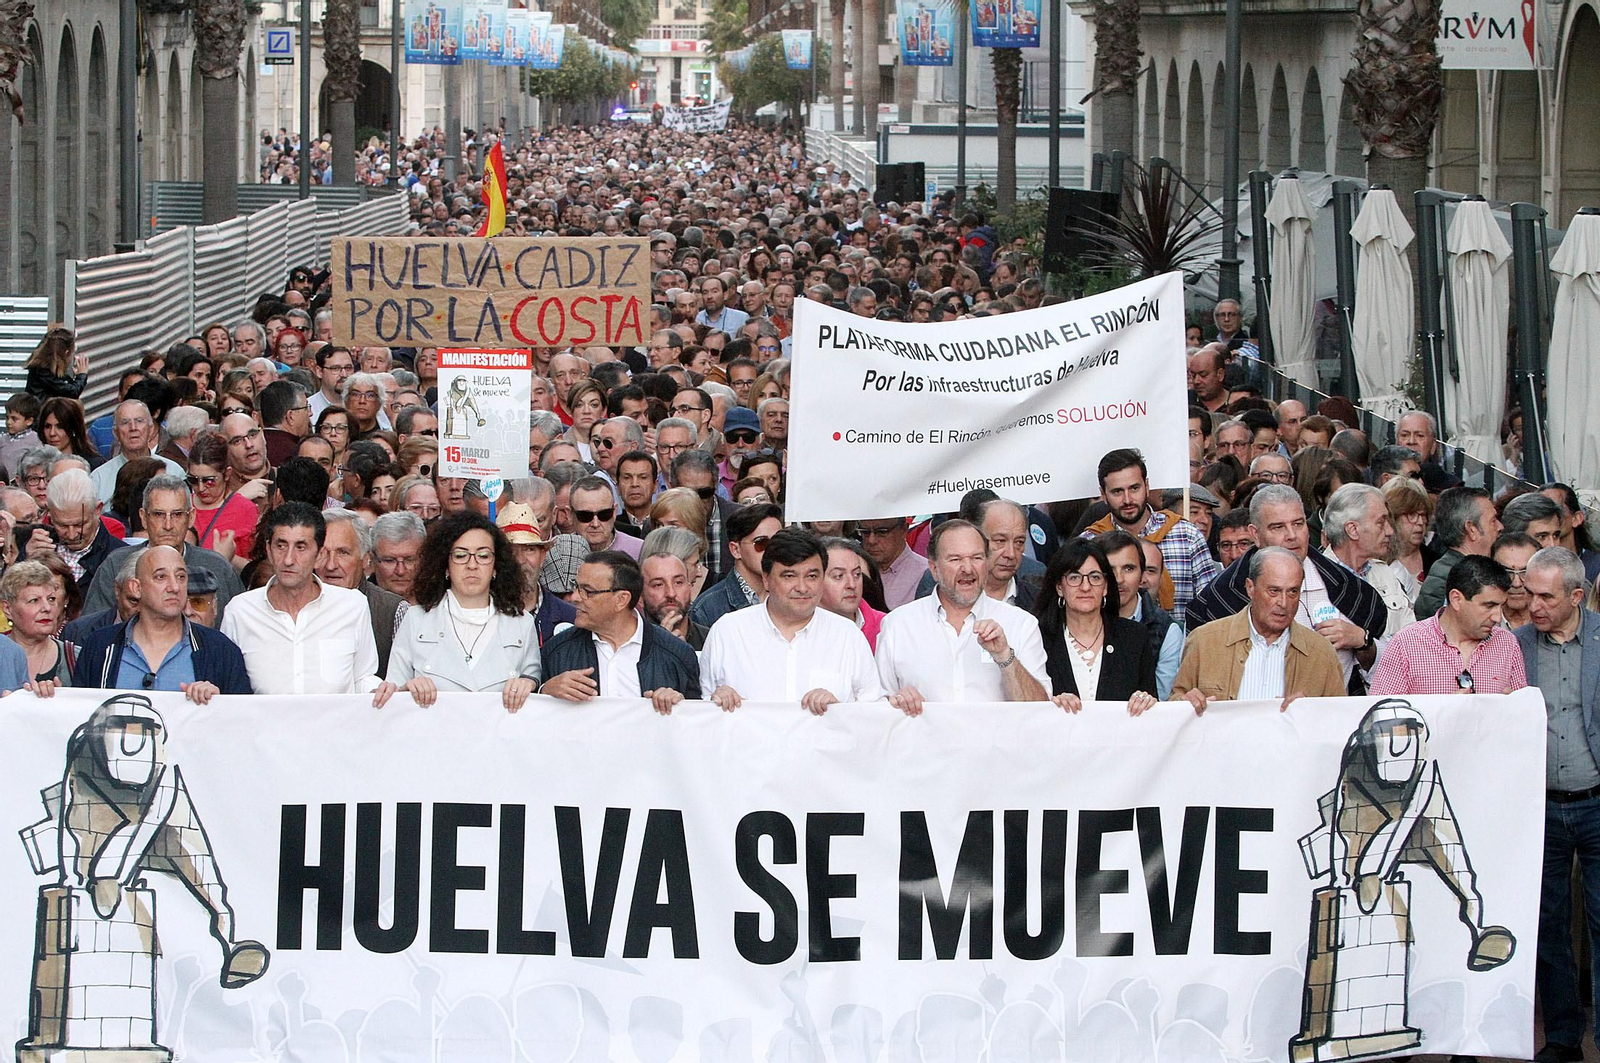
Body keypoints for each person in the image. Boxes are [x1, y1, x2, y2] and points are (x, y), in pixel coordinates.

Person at [1504, 548, 1600, 1063]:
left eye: (1546, 596)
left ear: (1577, 596)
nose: (1533, 604)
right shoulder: (1515, 646)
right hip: (1538, 805)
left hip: (1596, 801)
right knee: (1547, 923)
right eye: (1529, 592)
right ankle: (1563, 1036)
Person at [1186, 485, 1386, 693]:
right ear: (1255, 534)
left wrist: (1363, 641)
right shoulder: (1220, 596)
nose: (1291, 535)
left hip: (1332, 710)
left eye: (1298, 524)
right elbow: (1195, 682)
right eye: (1278, 527)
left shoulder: (1348, 587)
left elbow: (1387, 671)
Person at [700, 528, 884, 714]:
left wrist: (839, 711)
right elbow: (700, 712)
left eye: (812, 576)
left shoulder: (848, 636)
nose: (802, 588)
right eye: (789, 576)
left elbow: (873, 713)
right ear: (766, 579)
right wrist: (715, 702)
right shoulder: (728, 632)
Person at [875, 519, 1049, 715]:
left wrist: (1005, 657)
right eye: (955, 559)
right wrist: (895, 702)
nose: (968, 568)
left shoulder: (1021, 624)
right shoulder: (898, 625)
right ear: (934, 569)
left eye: (977, 558)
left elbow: (1041, 712)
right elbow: (876, 709)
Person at [374, 511, 540, 712]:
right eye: (460, 556)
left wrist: (528, 684)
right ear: (445, 566)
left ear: (496, 567)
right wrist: (406, 689)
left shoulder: (522, 624)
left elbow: (535, 692)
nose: (472, 565)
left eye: (483, 556)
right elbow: (392, 695)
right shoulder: (415, 619)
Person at [219, 502, 382, 694]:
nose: (288, 559)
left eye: (301, 547)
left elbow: (362, 678)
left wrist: (381, 691)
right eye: (281, 546)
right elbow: (226, 686)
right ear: (269, 550)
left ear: (319, 554)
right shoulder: (240, 612)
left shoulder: (352, 606)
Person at [1171, 546, 1347, 713]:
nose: (1284, 603)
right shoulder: (1204, 642)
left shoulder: (1321, 654)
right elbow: (1174, 704)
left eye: (1293, 592)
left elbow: (1339, 720)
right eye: (1274, 591)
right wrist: (1185, 703)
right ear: (1250, 588)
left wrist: (1313, 713)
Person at [72, 545, 251, 700]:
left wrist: (219, 705)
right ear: (136, 588)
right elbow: (80, 715)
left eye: (181, 577)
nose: (174, 587)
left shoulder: (220, 650)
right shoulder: (100, 647)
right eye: (160, 577)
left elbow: (243, 720)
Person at [541, 551, 702, 714]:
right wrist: (545, 692)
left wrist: (680, 705)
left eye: (588, 591)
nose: (575, 597)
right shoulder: (557, 651)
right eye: (577, 586)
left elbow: (697, 719)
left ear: (621, 600)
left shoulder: (676, 654)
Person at [1084, 449, 1220, 623]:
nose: (1128, 499)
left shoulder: (1187, 536)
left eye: (1134, 488)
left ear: (1147, 486)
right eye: (1117, 491)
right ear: (1103, 495)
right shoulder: (1089, 543)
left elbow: (1210, 604)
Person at [82, 474, 243, 618]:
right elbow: (94, 626)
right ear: (143, 518)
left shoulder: (218, 567)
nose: (168, 525)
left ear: (191, 517)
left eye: (177, 515)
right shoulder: (116, 564)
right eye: (158, 514)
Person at [1032, 537, 1158, 714]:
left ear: (1105, 586)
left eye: (1095, 577)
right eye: (1074, 577)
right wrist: (1049, 702)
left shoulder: (1135, 637)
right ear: (1059, 587)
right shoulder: (1038, 638)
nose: (1085, 587)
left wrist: (1146, 701)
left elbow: (1152, 704)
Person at [1369, 555, 1526, 696]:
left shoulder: (1507, 643)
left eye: (1501, 606)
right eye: (1489, 606)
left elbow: (1523, 712)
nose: (1497, 617)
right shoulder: (1406, 644)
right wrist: (1444, 711)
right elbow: (1382, 712)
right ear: (1456, 599)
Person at [317, 509, 408, 678]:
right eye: (322, 553)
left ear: (366, 559)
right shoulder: (294, 606)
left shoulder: (394, 611)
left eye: (343, 552)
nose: (331, 565)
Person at [1097, 528, 1184, 699]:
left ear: (1142, 574)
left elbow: (1162, 700)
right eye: (1109, 569)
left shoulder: (1166, 630)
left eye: (1128, 568)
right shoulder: (1078, 619)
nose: (1119, 579)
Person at [689, 502, 783, 629]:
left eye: (778, 542)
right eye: (761, 543)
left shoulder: (794, 595)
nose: (773, 549)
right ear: (735, 550)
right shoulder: (707, 608)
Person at [1415, 487, 1503, 620]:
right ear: (1471, 529)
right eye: (1493, 520)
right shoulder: (1450, 580)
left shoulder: (1454, 571)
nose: (1500, 526)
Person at [496, 502, 576, 645]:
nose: (520, 560)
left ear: (542, 556)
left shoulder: (570, 617)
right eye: (510, 551)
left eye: (529, 549)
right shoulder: (480, 615)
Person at [36, 467, 125, 591]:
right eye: (62, 525)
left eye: (80, 525)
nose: (71, 535)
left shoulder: (121, 558)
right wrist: (26, 562)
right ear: (49, 512)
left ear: (97, 509)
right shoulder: (34, 546)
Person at [88, 401, 184, 503]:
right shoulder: (99, 478)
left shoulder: (174, 471)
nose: (133, 428)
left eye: (139, 421)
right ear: (115, 433)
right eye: (125, 422)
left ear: (151, 429)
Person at [2, 559, 73, 689]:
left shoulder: (76, 658)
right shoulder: (4, 653)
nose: (47, 608)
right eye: (34, 600)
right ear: (7, 609)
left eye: (51, 599)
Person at [819, 536, 884, 652]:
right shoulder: (797, 628)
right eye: (839, 576)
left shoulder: (886, 625)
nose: (852, 584)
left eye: (857, 574)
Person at [858, 516, 929, 610]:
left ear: (903, 530)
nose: (871, 540)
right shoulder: (853, 571)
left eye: (882, 532)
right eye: (865, 532)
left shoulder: (926, 574)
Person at [569, 475, 643, 558]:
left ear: (614, 512)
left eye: (604, 514)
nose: (595, 524)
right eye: (585, 516)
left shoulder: (640, 551)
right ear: (571, 515)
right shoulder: (560, 552)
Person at [372, 511, 426, 603]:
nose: (400, 571)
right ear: (373, 560)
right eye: (389, 561)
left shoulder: (444, 604)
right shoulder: (357, 605)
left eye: (409, 560)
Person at [1493, 532, 1540, 629]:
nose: (1516, 583)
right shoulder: (1479, 624)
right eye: (1507, 572)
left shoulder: (1555, 622)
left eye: (1525, 572)